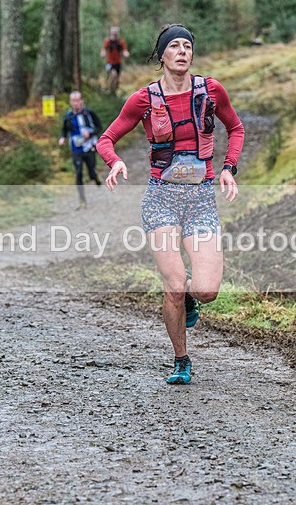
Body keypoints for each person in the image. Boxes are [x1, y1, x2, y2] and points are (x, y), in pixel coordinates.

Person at [96, 24, 244, 385]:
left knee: (206, 290)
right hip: (161, 199)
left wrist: (228, 168)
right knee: (174, 287)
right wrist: (115, 161)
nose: (182, 51)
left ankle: (193, 298)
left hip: (201, 201)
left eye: (187, 46)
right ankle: (181, 360)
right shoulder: (143, 99)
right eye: (174, 46)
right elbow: (107, 139)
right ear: (161, 55)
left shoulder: (211, 91)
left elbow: (236, 129)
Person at [58, 91, 103, 209]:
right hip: (76, 148)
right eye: (73, 101)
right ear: (70, 102)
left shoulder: (89, 113)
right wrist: (62, 138)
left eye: (77, 100)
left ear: (82, 101)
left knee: (91, 172)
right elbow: (64, 130)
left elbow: (99, 127)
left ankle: (95, 178)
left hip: (89, 147)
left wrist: (90, 133)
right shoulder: (68, 116)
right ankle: (82, 200)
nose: (76, 103)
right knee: (78, 173)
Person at [100, 26, 130, 93]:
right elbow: (104, 49)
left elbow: (124, 49)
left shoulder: (120, 41)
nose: (114, 34)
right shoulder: (107, 41)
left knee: (117, 78)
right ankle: (109, 89)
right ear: (111, 33)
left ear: (118, 33)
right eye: (113, 32)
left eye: (116, 32)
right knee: (113, 75)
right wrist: (103, 53)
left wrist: (126, 53)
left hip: (118, 62)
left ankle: (114, 91)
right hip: (110, 63)